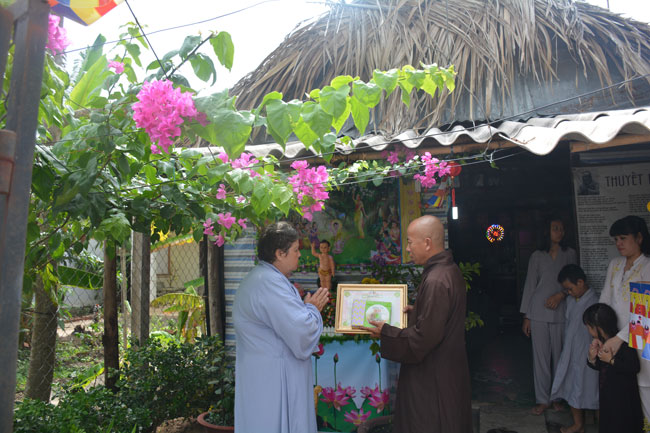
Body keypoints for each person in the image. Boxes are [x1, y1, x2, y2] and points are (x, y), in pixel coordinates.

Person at [361, 215, 472, 433]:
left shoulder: (436, 279)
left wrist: (386, 331)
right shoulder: (447, 270)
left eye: (410, 242)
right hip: (446, 370)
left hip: (433, 377)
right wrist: (418, 312)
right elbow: (440, 319)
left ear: (427, 243)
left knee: (430, 423)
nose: (407, 249)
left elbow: (424, 338)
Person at [233, 221, 330, 433]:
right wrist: (313, 309)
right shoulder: (269, 282)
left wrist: (306, 309)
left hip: (264, 374)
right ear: (280, 253)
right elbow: (301, 332)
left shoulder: (263, 278)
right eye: (295, 250)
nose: (299, 255)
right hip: (273, 379)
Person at [520, 217, 577, 415]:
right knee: (541, 359)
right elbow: (530, 285)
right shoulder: (537, 256)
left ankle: (557, 397)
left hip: (561, 311)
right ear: (547, 231)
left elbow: (576, 282)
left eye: (561, 229)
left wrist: (561, 295)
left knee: (560, 357)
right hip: (538, 311)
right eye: (555, 228)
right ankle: (543, 399)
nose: (559, 232)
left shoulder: (570, 254)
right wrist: (527, 316)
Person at [599, 215, 650, 422]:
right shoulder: (615, 264)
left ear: (639, 238)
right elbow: (604, 301)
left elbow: (643, 314)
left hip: (644, 339)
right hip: (614, 339)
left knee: (645, 386)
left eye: (623, 238)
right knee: (624, 391)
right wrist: (600, 334)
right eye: (616, 239)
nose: (618, 243)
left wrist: (618, 339)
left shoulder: (647, 266)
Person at [550, 264, 599, 433]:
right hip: (571, 351)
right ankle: (578, 424)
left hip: (589, 352)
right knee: (573, 387)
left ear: (580, 282)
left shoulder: (595, 301)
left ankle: (602, 425)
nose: (568, 293)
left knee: (594, 390)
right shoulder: (571, 301)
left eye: (570, 289)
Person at [584, 303, 644, 433]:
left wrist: (611, 360)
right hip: (608, 397)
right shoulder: (603, 342)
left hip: (623, 400)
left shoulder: (623, 344)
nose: (588, 330)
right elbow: (602, 367)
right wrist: (592, 358)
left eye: (588, 327)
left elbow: (634, 367)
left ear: (598, 327)